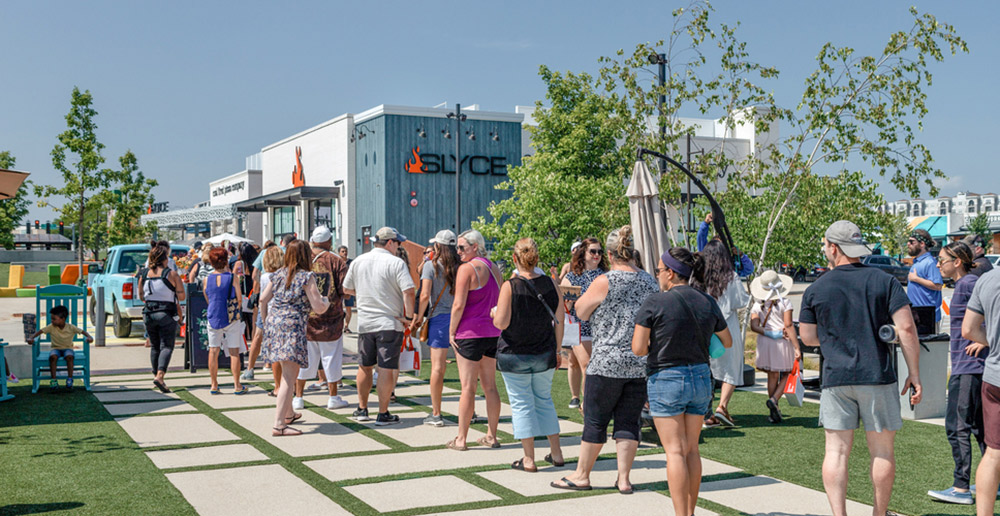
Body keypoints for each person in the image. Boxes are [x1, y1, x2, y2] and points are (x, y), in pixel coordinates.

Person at [799, 220, 922, 516]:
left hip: (836, 377)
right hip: (877, 374)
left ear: (833, 247)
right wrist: (914, 374)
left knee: (836, 452)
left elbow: (808, 337)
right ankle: (879, 514)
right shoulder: (884, 281)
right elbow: (906, 328)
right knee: (881, 451)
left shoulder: (816, 288)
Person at [550, 225, 658, 493]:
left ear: (609, 255)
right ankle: (624, 479)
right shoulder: (649, 281)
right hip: (638, 361)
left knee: (596, 420)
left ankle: (582, 475)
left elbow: (581, 311)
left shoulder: (605, 280)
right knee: (628, 422)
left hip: (607, 360)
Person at [632, 247, 732, 515]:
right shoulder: (707, 301)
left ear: (671, 273)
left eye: (659, 270)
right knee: (691, 451)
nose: (657, 275)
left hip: (666, 376)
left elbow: (639, 348)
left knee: (674, 452)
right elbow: (728, 341)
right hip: (700, 375)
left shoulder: (655, 302)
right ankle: (690, 511)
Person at [490, 238, 566, 472]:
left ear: (515, 259)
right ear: (536, 258)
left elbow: (501, 323)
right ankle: (557, 452)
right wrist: (558, 349)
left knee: (522, 404)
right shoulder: (551, 283)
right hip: (544, 351)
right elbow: (560, 320)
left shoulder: (510, 286)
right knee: (544, 400)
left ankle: (529, 458)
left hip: (515, 354)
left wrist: (494, 313)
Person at [928, 242, 985, 505]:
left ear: (957, 261)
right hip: (970, 366)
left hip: (969, 367)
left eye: (942, 260)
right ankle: (992, 481)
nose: (938, 265)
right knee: (978, 428)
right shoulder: (966, 284)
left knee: (957, 427)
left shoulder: (967, 284)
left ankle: (961, 488)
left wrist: (985, 340)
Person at [342, 227, 415, 426]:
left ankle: (362, 408)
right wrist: (409, 317)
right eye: (398, 243)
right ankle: (383, 413)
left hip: (365, 323)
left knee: (364, 366)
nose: (399, 246)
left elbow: (346, 289)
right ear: (390, 243)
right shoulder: (396, 263)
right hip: (389, 322)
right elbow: (409, 291)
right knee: (385, 368)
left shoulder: (358, 261)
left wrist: (366, 292)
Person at [260, 240, 330, 436]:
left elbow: (262, 299)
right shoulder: (307, 277)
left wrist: (267, 322)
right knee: (288, 379)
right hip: (292, 327)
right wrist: (326, 302)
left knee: (285, 371)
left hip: (275, 325)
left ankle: (289, 413)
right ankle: (279, 424)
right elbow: (317, 307)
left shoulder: (277, 274)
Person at [447, 229, 503, 450]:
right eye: (457, 247)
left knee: (467, 387)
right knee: (490, 386)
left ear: (475, 247)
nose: (458, 251)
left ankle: (461, 438)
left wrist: (451, 332)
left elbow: (458, 304)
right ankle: (492, 435)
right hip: (492, 332)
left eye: (462, 247)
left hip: (469, 333)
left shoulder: (466, 269)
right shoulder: (495, 268)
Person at [691, 239, 750, 427]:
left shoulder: (697, 276)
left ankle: (706, 412)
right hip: (726, 327)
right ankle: (722, 407)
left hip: (702, 327)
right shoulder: (730, 277)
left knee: (706, 370)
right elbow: (742, 302)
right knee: (731, 369)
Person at [289, 226, 349, 410]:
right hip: (331, 318)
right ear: (329, 241)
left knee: (304, 359)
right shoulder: (337, 261)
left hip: (306, 317)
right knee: (331, 358)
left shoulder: (302, 260)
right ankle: (333, 397)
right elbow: (344, 290)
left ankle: (298, 397)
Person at [410, 230, 459, 427]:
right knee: (466, 368)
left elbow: (424, 294)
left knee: (438, 368)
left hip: (438, 318)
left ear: (438, 246)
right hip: (460, 318)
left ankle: (436, 413)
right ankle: (469, 410)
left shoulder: (431, 265)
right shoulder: (462, 265)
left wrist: (419, 317)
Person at [962, 266, 1000, 514]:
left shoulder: (988, 279)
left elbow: (968, 330)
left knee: (994, 454)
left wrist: (993, 340)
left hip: (994, 376)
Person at [560, 237, 608, 410]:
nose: (597, 255)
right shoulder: (572, 277)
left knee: (597, 367)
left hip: (601, 328)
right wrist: (569, 302)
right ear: (583, 253)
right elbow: (563, 306)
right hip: (578, 327)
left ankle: (593, 402)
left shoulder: (606, 276)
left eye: (599, 252)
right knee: (587, 364)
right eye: (593, 251)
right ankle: (586, 404)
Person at [748, 269, 800, 423]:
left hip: (765, 342)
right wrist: (797, 347)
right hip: (781, 342)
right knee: (788, 373)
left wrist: (768, 333)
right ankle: (775, 399)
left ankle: (773, 410)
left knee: (772, 375)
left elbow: (753, 325)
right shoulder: (785, 302)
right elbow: (788, 325)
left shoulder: (758, 304)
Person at [138, 245, 185, 393]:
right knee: (167, 346)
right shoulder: (171, 274)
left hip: (149, 313)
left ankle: (156, 376)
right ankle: (160, 376)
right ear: (165, 259)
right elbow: (182, 296)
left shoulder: (144, 274)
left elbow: (141, 296)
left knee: (154, 346)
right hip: (166, 312)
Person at [203, 247, 247, 395]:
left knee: (213, 350)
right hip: (230, 317)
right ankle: (237, 385)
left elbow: (208, 298)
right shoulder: (233, 277)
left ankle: (214, 384)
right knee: (234, 352)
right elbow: (239, 299)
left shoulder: (206, 279)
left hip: (214, 316)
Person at [26, 305, 94, 390]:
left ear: (63, 319)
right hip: (56, 349)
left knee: (70, 357)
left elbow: (82, 331)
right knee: (53, 357)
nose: (52, 321)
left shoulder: (71, 327)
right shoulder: (51, 327)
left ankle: (69, 379)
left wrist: (89, 337)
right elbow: (40, 331)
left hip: (68, 348)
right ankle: (54, 380)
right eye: (51, 319)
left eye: (54, 319)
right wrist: (31, 337)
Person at [255, 246, 284, 396]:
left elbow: (263, 300)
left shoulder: (265, 277)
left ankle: (278, 385)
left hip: (270, 316)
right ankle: (285, 385)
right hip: (283, 315)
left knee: (274, 353)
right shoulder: (285, 275)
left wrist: (263, 318)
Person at [906, 228, 944, 328]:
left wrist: (916, 279)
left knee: (929, 344)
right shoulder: (917, 262)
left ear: (922, 244)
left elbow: (938, 286)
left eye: (911, 242)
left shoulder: (930, 262)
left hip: (928, 316)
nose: (908, 244)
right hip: (916, 314)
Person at [696, 213, 754, 277]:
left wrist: (741, 256)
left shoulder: (730, 264)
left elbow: (749, 270)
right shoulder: (707, 258)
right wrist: (706, 223)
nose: (718, 248)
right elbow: (701, 238)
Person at [233, 242, 258, 341]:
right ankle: (253, 341)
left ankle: (244, 344)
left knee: (243, 322)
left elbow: (233, 277)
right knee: (253, 321)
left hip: (242, 293)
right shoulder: (256, 263)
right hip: (253, 292)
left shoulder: (239, 263)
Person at [338, 245, 355, 333]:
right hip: (339, 288)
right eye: (342, 251)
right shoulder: (337, 262)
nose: (344, 253)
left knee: (349, 307)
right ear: (339, 253)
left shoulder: (351, 262)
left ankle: (346, 326)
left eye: (345, 251)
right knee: (339, 306)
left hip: (349, 287)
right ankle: (339, 325)